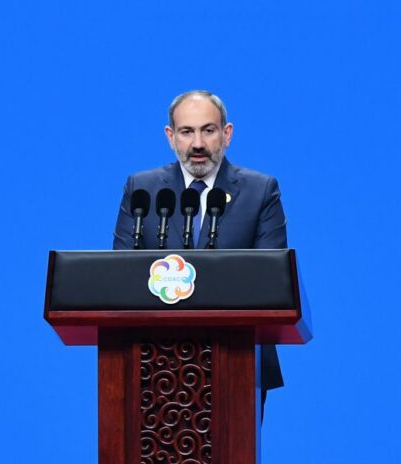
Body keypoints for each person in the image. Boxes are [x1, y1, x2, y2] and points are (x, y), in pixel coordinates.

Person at [112, 90, 288, 412]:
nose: (197, 144)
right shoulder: (142, 190)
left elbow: (270, 282)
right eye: (186, 131)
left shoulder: (260, 191)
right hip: (153, 365)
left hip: (237, 362)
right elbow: (120, 278)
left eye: (208, 130)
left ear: (227, 134)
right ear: (170, 137)